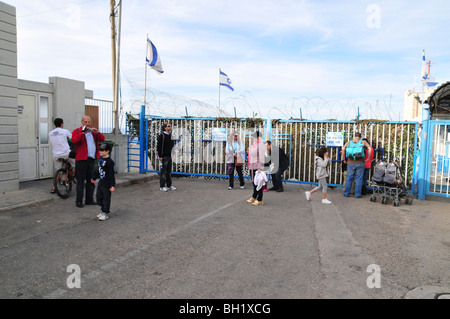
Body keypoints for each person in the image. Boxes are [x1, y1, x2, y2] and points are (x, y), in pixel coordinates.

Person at [72, 115, 105, 208]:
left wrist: (97, 133)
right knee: (80, 182)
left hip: (91, 160)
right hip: (81, 160)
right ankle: (79, 201)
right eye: (85, 122)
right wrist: (82, 133)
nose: (87, 124)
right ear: (82, 122)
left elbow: (102, 139)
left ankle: (89, 200)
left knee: (91, 181)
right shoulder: (77, 131)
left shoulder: (92, 132)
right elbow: (74, 141)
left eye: (89, 122)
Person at [341, 132, 372, 198]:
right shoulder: (363, 142)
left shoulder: (349, 142)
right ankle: (357, 194)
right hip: (360, 163)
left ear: (354, 137)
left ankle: (346, 193)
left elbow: (343, 149)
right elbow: (369, 149)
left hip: (350, 163)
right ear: (360, 137)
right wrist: (368, 158)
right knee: (359, 179)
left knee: (349, 178)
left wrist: (344, 159)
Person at [49, 118, 75, 194]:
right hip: (66, 153)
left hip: (56, 155)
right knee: (77, 164)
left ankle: (54, 188)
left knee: (58, 171)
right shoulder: (65, 131)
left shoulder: (50, 133)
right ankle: (72, 177)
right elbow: (74, 139)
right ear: (62, 124)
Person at [91, 143, 115, 221]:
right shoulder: (101, 159)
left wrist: (112, 185)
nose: (100, 152)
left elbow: (111, 174)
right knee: (99, 197)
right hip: (101, 182)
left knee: (106, 198)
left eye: (102, 151)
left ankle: (105, 212)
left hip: (107, 183)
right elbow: (98, 170)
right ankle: (102, 210)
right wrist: (94, 177)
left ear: (107, 151)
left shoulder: (110, 162)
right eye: (100, 151)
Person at [246, 131, 267, 206]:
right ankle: (254, 196)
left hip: (257, 166)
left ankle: (260, 199)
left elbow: (261, 157)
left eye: (254, 137)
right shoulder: (255, 145)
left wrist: (260, 167)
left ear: (258, 138)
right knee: (254, 182)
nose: (253, 138)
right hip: (252, 166)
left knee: (259, 183)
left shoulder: (260, 145)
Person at [157, 122, 176, 192]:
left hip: (169, 155)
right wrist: (160, 156)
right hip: (164, 156)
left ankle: (169, 185)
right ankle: (162, 186)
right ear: (165, 128)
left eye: (170, 126)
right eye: (168, 126)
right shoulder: (162, 136)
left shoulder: (170, 135)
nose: (170, 127)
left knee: (169, 172)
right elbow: (159, 146)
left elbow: (172, 145)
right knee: (163, 172)